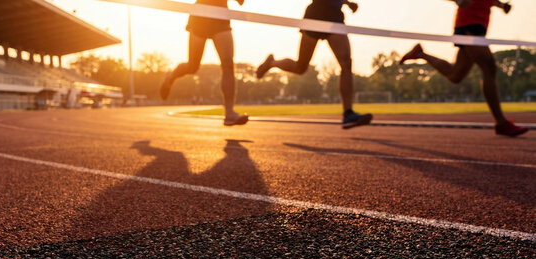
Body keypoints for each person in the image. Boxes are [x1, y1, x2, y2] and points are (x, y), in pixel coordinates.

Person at [400, 0, 528, 137]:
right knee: (489, 66)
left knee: (455, 75)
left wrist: (502, 5)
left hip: (478, 28)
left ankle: (420, 54)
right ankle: (501, 123)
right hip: (469, 26)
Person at [256, 0, 372, 129]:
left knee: (346, 63)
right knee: (301, 67)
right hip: (316, 13)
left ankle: (348, 113)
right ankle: (271, 63)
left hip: (334, 16)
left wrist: (347, 3)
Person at [160, 0, 249, 126]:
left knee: (228, 64)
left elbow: (241, 2)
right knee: (193, 66)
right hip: (200, 17)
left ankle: (229, 113)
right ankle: (171, 77)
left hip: (221, 17)